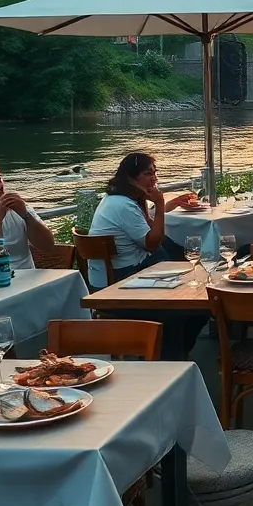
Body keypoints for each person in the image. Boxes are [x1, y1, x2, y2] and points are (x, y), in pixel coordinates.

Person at [87, 153, 204, 359]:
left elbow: (148, 226)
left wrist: (166, 204)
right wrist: (159, 204)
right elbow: (151, 243)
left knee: (175, 253)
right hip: (119, 285)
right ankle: (170, 361)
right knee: (190, 310)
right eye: (147, 174)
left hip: (117, 277)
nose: (154, 179)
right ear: (131, 178)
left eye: (154, 173)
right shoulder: (124, 205)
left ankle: (170, 355)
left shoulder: (118, 199)